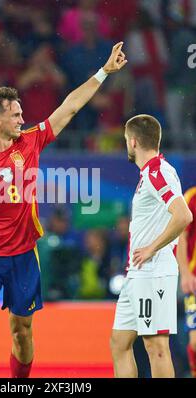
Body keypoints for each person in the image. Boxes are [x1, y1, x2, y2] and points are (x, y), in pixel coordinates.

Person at [0, 42, 127, 378]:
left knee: (22, 332)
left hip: (24, 254)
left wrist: (104, 72)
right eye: (15, 114)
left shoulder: (30, 141)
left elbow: (69, 108)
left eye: (21, 113)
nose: (22, 118)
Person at [110, 114, 193, 378]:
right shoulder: (150, 174)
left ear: (133, 141)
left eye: (125, 140)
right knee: (119, 343)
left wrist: (152, 248)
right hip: (137, 273)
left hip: (154, 272)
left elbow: (183, 215)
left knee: (156, 347)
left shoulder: (158, 172)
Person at [176, 186, 196, 377]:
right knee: (195, 342)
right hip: (194, 283)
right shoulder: (191, 197)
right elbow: (182, 237)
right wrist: (185, 273)